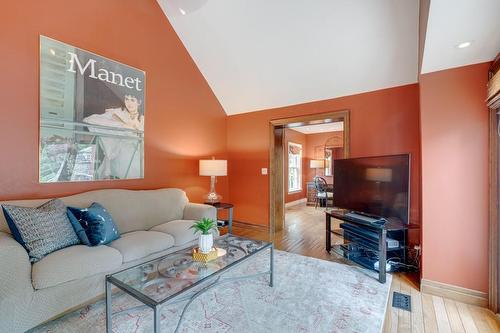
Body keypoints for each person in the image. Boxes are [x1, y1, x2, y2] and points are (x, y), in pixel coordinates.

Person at [83, 94, 144, 180]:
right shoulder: (117, 113)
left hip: (138, 158)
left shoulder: (143, 119)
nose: (129, 103)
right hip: (118, 154)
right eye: (127, 99)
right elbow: (90, 119)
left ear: (139, 102)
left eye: (132, 100)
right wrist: (122, 125)